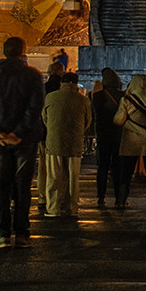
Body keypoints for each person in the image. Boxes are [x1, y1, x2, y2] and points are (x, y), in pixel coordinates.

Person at [0, 36, 44, 248]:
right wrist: (19, 131)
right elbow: (35, 106)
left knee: (1, 183)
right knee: (22, 185)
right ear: (22, 51)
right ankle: (21, 233)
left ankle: (1, 232)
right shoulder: (32, 76)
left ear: (4, 52)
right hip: (25, 138)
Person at [39, 70, 89, 218]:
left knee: (53, 177)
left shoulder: (50, 97)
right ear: (75, 84)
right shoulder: (82, 100)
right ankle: (71, 207)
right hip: (74, 142)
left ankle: (53, 208)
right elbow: (88, 121)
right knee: (73, 178)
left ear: (62, 83)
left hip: (54, 142)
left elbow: (45, 118)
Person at [114, 72, 146, 208]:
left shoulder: (126, 100)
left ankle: (121, 200)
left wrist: (134, 127)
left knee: (126, 172)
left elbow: (118, 120)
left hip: (131, 141)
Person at [89, 68, 125, 208]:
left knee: (102, 167)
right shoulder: (122, 95)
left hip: (103, 135)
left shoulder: (99, 96)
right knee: (117, 168)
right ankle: (118, 198)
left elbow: (94, 110)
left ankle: (101, 197)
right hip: (118, 135)